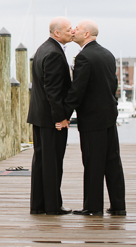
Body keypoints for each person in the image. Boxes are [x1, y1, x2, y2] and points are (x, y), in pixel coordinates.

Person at [60, 20, 126, 216]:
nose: (73, 31)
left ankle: (93, 207)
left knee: (93, 162)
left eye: (77, 29)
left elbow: (77, 91)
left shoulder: (84, 57)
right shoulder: (108, 54)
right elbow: (112, 85)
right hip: (109, 117)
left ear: (87, 34)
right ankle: (118, 206)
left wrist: (64, 115)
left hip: (92, 119)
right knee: (113, 162)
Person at [27, 17, 74, 215]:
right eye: (69, 29)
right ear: (57, 33)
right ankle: (53, 206)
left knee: (41, 161)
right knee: (53, 162)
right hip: (50, 119)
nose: (73, 31)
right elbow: (53, 91)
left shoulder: (42, 49)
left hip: (38, 117)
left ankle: (38, 205)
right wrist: (60, 118)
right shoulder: (54, 54)